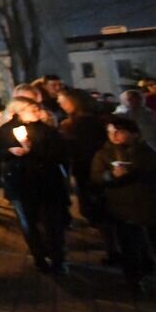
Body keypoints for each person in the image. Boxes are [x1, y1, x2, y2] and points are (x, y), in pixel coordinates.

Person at [90, 117, 156, 289]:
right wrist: (112, 175)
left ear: (134, 134)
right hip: (123, 206)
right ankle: (134, 278)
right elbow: (97, 177)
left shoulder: (149, 151)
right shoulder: (104, 154)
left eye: (119, 131)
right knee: (129, 244)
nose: (114, 136)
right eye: (110, 132)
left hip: (151, 204)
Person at [0, 97, 70, 275]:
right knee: (29, 222)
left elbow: (60, 153)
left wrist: (34, 150)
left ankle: (58, 259)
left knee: (52, 223)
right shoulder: (5, 131)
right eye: (32, 109)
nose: (37, 112)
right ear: (19, 111)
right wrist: (10, 151)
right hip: (20, 182)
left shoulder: (47, 130)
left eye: (37, 109)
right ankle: (39, 257)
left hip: (47, 182)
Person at [57, 89, 111, 261]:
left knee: (101, 210)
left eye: (62, 101)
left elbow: (81, 149)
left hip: (91, 170)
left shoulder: (80, 124)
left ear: (74, 102)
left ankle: (114, 249)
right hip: (91, 170)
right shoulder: (88, 121)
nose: (60, 104)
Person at [116, 89, 156, 160]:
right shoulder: (121, 118)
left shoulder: (153, 115)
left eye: (133, 98)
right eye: (128, 99)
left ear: (140, 100)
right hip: (134, 155)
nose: (131, 101)